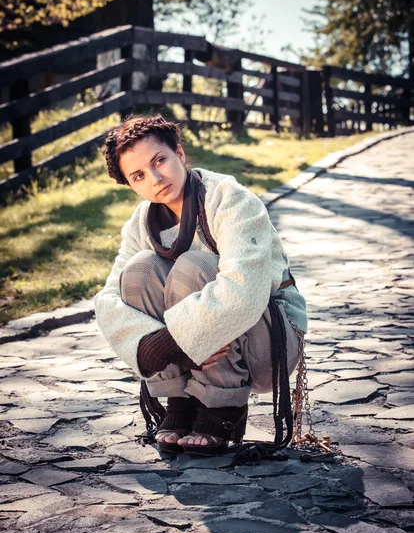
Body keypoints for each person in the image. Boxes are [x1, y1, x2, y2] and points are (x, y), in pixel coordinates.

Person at [94, 113, 307, 457]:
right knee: (137, 271)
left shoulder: (229, 198)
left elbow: (246, 288)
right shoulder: (140, 224)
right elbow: (109, 298)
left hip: (271, 341)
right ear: (131, 185)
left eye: (159, 160)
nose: (155, 178)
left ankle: (224, 408)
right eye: (139, 175)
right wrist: (155, 348)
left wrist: (176, 340)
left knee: (194, 265)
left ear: (179, 153)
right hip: (199, 349)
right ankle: (180, 400)